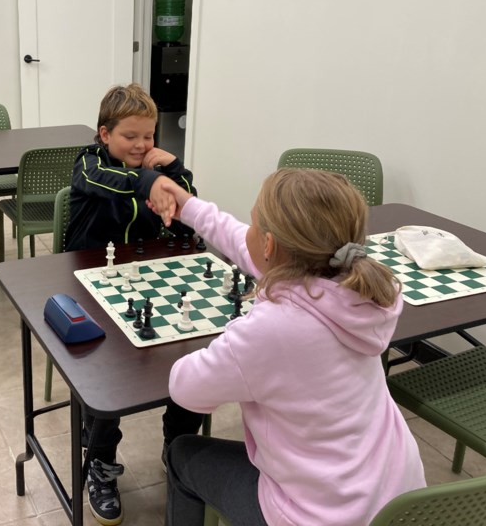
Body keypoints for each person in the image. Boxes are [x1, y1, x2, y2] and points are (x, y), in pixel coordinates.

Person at [145, 168, 426, 526]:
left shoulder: (272, 329)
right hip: (399, 502)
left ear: (269, 246)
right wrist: (188, 207)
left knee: (182, 452)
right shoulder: (354, 287)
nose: (246, 231)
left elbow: (185, 389)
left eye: (253, 223)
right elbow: (245, 246)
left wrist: (232, 342)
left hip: (319, 517)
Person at [65, 83, 206, 526]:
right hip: (92, 284)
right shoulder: (88, 164)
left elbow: (187, 206)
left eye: (150, 136)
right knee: (112, 381)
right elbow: (110, 185)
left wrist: (175, 171)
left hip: (150, 279)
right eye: (131, 136)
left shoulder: (157, 167)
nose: (143, 145)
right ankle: (102, 464)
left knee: (193, 357)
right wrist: (153, 178)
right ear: (104, 134)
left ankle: (178, 446)